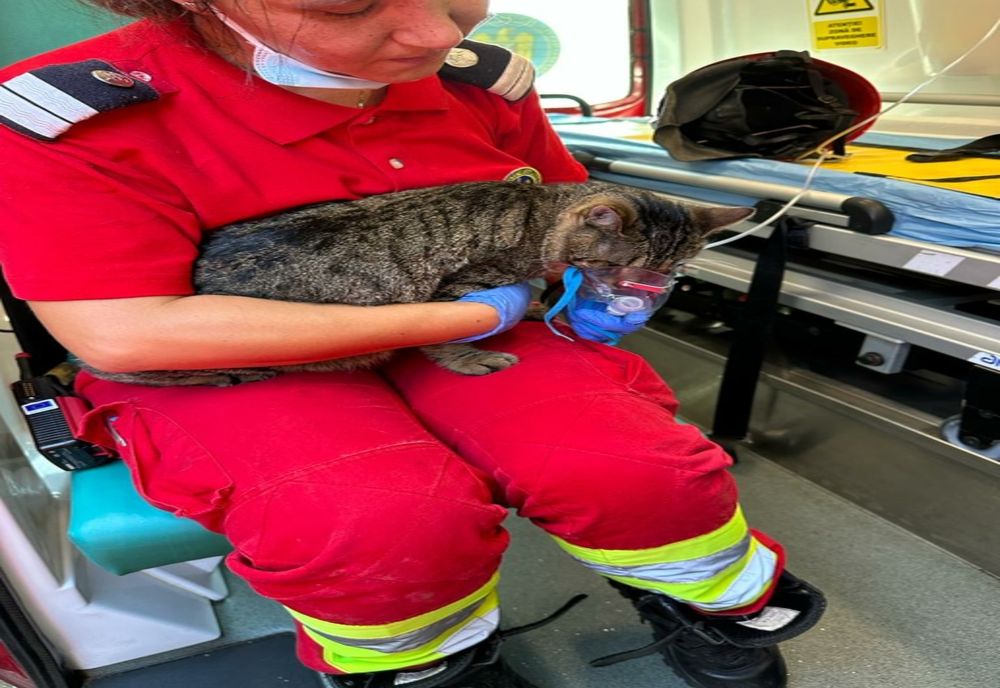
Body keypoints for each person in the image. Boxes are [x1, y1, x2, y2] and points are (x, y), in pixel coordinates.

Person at [0, 2, 825, 687]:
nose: (436, 31)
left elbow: (572, 211)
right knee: (374, 522)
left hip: (475, 306)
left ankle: (715, 607)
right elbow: (123, 330)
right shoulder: (71, 110)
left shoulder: (478, 83)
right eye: (346, 6)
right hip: (220, 350)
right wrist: (460, 321)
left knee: (637, 469)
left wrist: (595, 288)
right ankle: (426, 666)